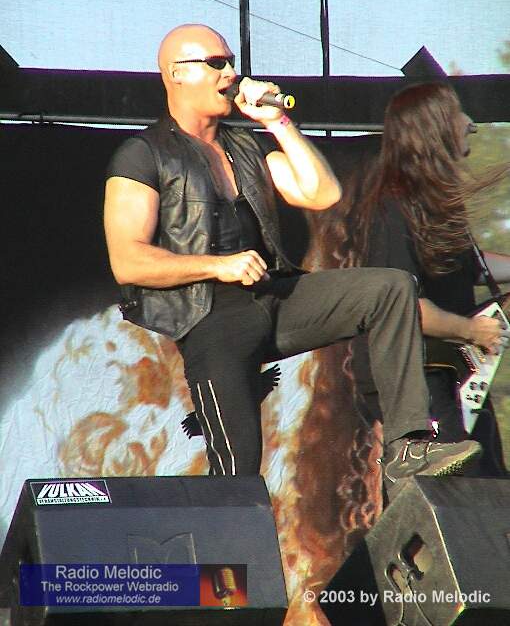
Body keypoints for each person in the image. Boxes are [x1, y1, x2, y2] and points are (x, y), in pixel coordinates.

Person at [103, 24, 481, 490]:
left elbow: (322, 193)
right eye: (217, 63)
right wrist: (218, 265)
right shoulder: (142, 154)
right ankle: (225, 536)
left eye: (232, 62)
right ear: (176, 74)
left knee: (389, 287)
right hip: (210, 319)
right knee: (237, 473)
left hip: (274, 298)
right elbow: (129, 261)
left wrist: (278, 122)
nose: (231, 73)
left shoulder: (245, 146)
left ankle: (407, 445)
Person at [349, 82, 510, 476]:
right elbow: (404, 308)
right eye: (458, 114)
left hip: (454, 371)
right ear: (436, 127)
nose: (470, 123)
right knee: (450, 488)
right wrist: (472, 330)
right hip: (417, 379)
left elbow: (471, 268)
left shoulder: (434, 202)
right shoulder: (393, 206)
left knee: (487, 483)